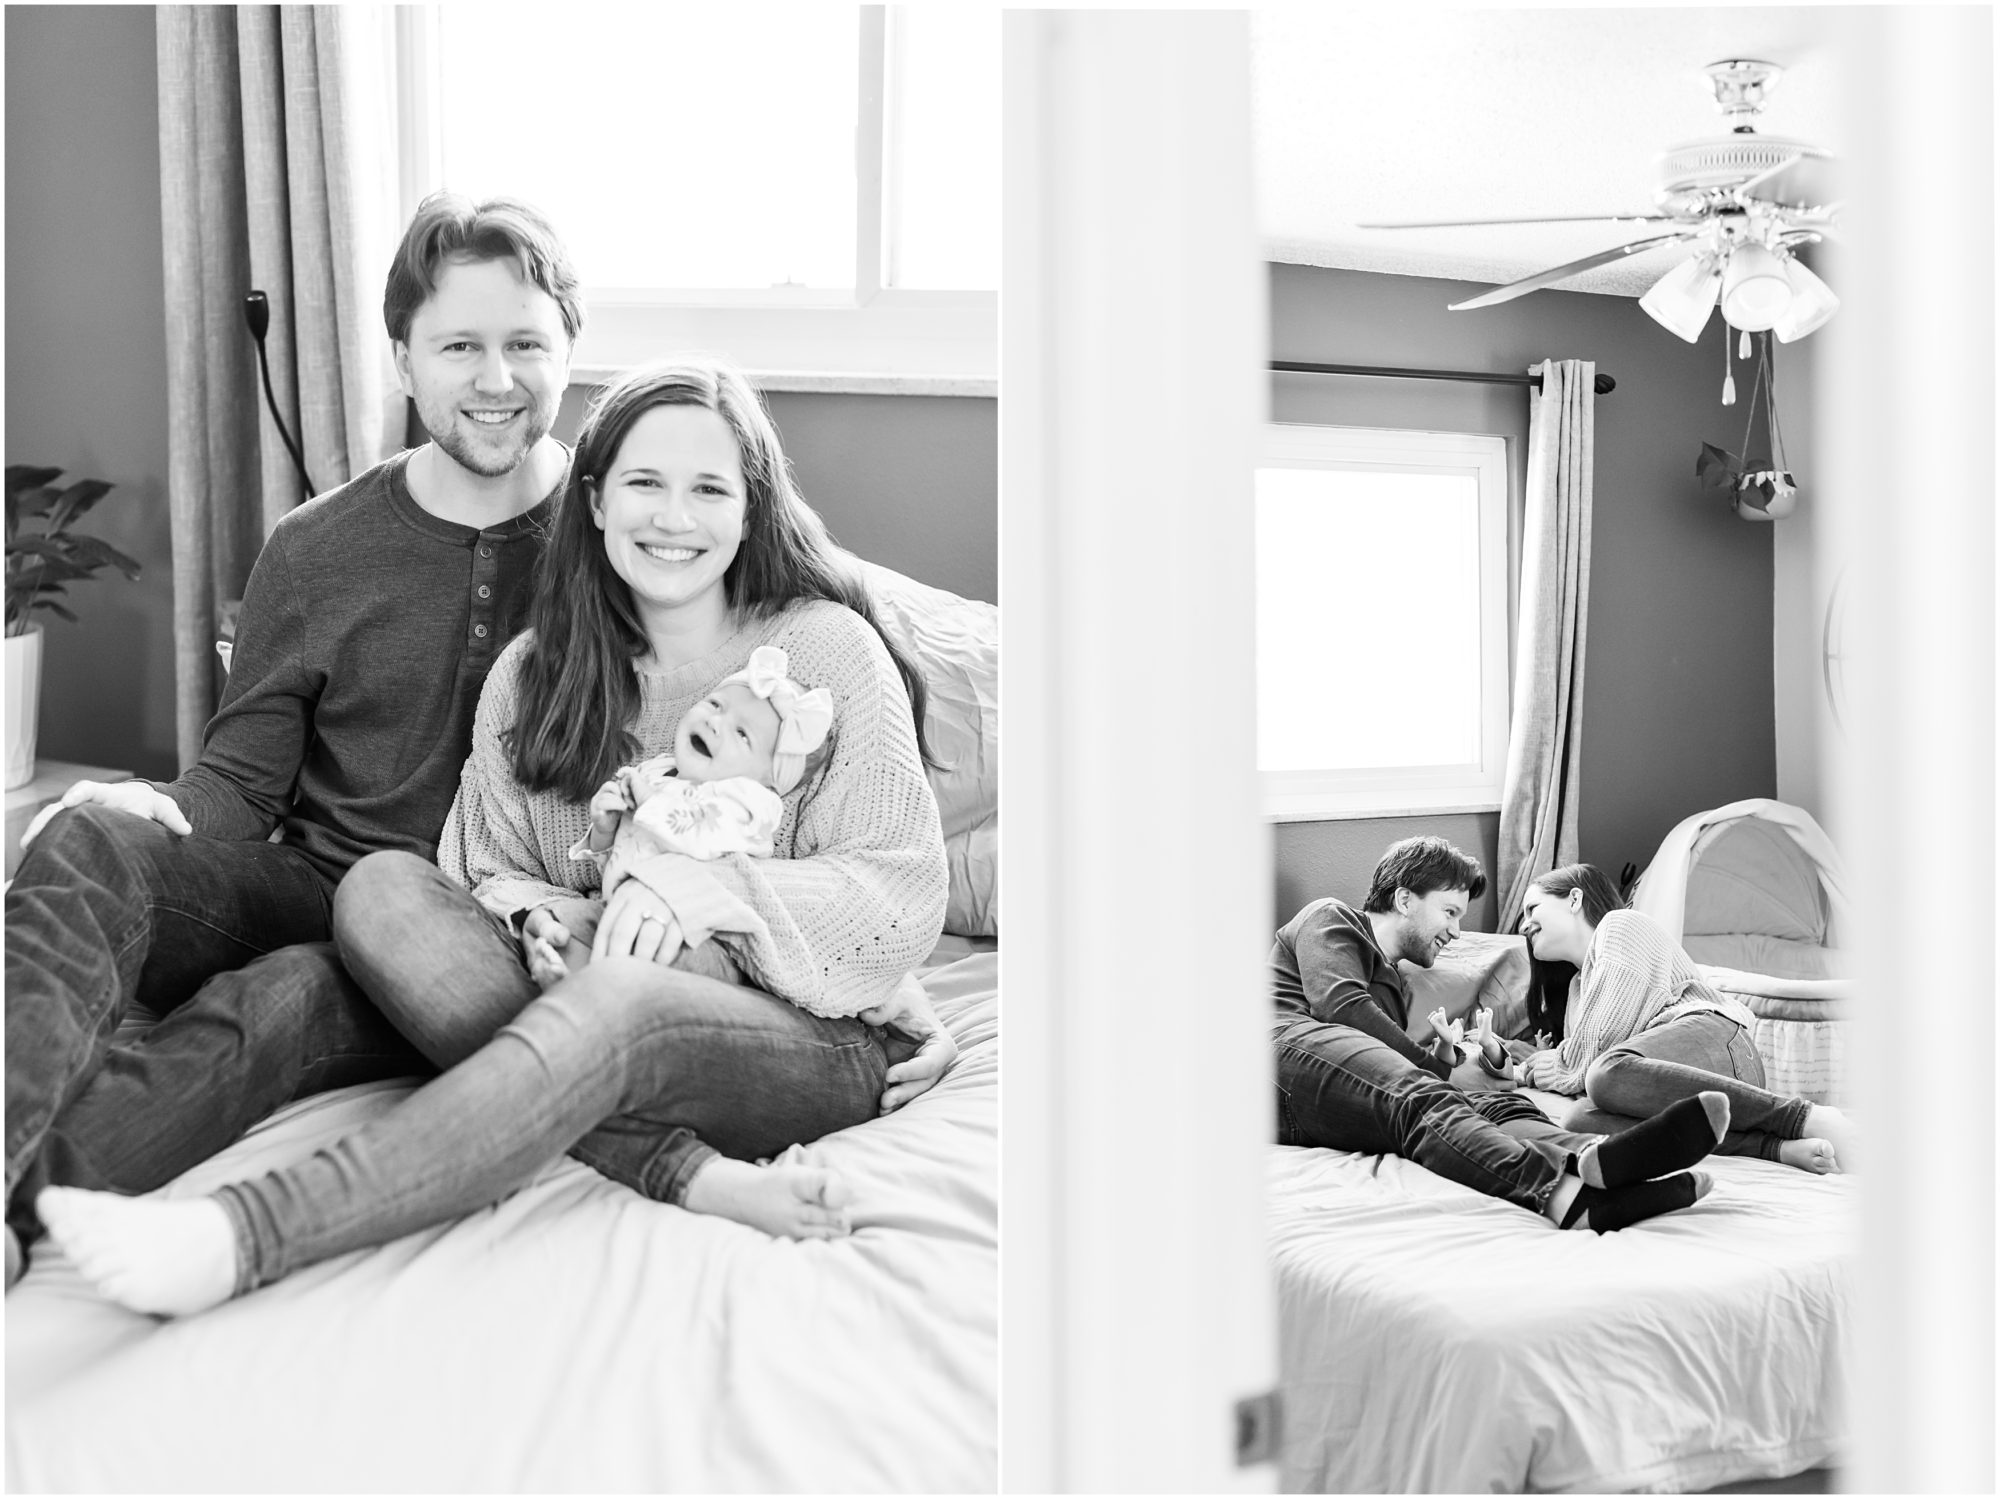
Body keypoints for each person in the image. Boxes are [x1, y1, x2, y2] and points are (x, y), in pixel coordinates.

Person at [3, 197, 951, 1292]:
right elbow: (241, 779)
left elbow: (869, 817)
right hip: (353, 891)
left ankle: (129, 1218)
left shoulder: (665, 553)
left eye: (524, 345)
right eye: (459, 345)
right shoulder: (342, 559)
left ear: (568, 354)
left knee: (282, 1002)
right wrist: (152, 811)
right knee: (95, 842)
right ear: (402, 357)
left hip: (502, 949)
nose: (494, 378)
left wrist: (870, 970)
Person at [1273, 836, 1729, 1232]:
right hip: (1277, 1054)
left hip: (1327, 1094)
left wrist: (1456, 1060)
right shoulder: (1330, 917)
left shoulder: (1394, 986)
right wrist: (1437, 1069)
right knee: (1422, 1092)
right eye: (1449, 912)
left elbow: (1375, 1058)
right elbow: (1342, 1008)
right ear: (1404, 899)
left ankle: (1598, 1156)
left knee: (1495, 1102)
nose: (1455, 931)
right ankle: (1568, 1199)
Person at [1515, 862, 1858, 1173]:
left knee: (1604, 1073)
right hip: (1673, 1087)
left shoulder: (1619, 926)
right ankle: (1774, 1148)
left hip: (1717, 1043)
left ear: (1575, 899)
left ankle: (1803, 1117)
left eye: (1532, 907)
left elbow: (1596, 1051)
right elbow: (1587, 1070)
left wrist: (1549, 1066)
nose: (1524, 924)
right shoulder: (1578, 988)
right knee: (1579, 1120)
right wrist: (1536, 1064)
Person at [528, 642, 835, 987]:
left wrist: (647, 802)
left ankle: (588, 985)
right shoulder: (659, 773)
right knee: (566, 918)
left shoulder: (748, 802)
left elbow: (698, 836)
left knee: (663, 958)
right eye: (716, 705)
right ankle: (563, 973)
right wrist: (605, 827)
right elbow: (622, 855)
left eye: (742, 734)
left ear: (770, 780)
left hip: (700, 934)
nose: (716, 723)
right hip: (622, 911)